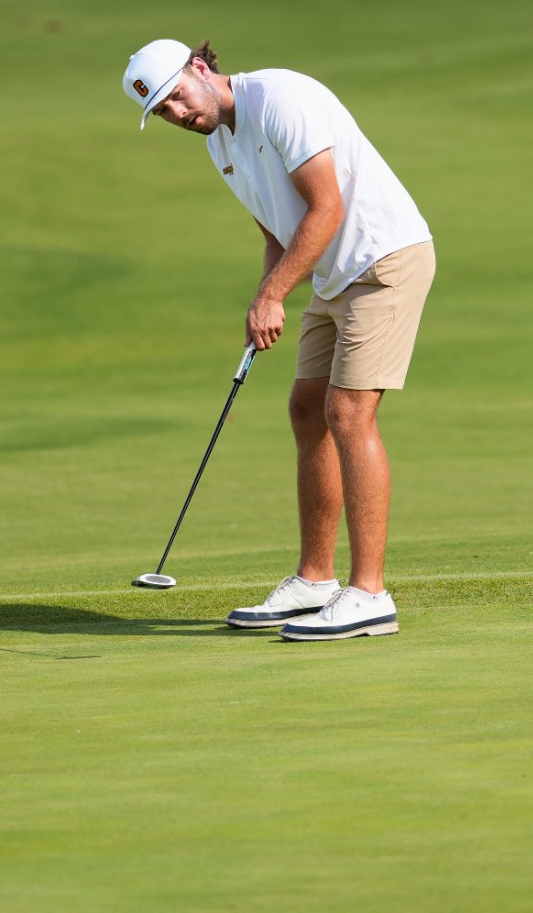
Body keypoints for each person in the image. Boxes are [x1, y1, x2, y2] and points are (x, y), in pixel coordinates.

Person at [122, 38, 435, 641]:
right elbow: (277, 230)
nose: (179, 115)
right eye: (163, 112)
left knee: (347, 413)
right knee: (306, 411)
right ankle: (315, 581)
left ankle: (370, 594)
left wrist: (273, 296)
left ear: (200, 67)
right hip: (331, 272)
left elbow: (327, 209)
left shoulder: (282, 98)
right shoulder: (220, 144)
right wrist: (269, 292)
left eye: (178, 97)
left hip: (383, 259)